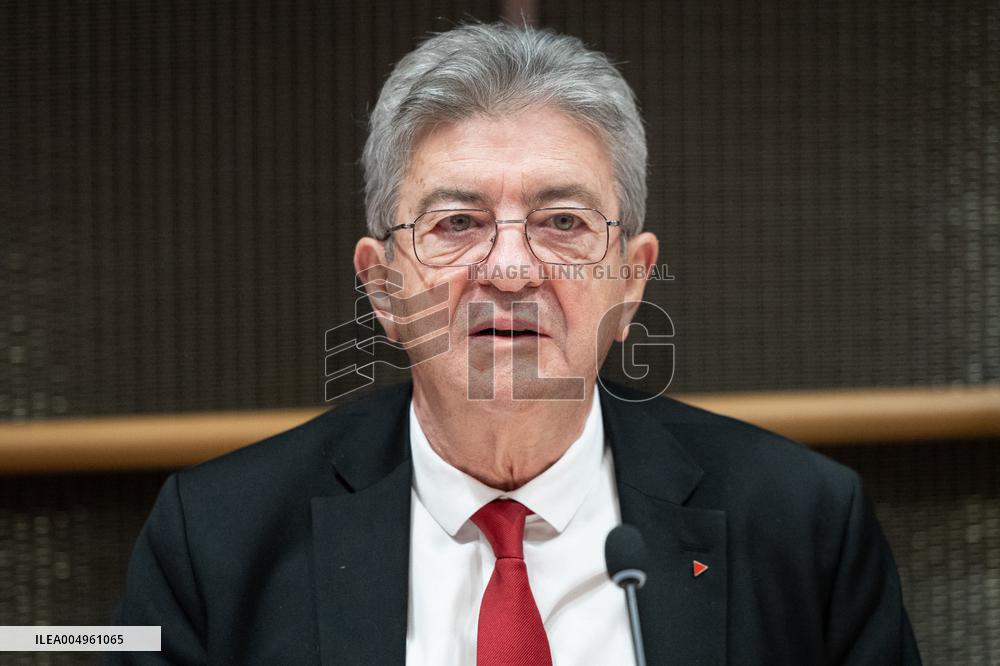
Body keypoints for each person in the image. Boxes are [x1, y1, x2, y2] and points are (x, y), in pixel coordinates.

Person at [110, 22, 921, 665]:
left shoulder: (804, 526)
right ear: (383, 285)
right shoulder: (215, 541)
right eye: (456, 223)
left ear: (632, 281)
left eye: (562, 222)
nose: (508, 266)